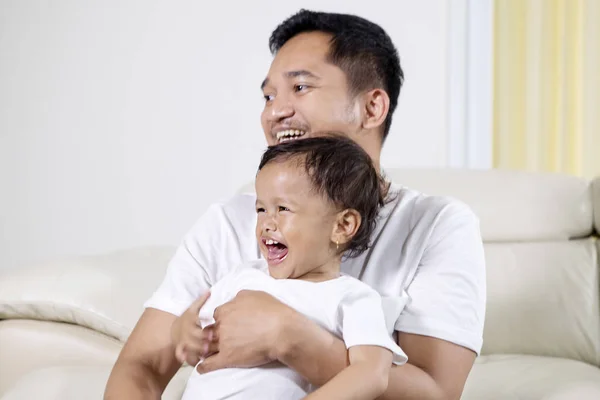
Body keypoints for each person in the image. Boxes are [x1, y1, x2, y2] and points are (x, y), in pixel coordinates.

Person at [105, 9, 486, 400]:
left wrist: (289, 338)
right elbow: (143, 367)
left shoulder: (437, 225)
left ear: (372, 108)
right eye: (269, 96)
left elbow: (435, 394)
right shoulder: (227, 223)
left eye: (300, 88)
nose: (274, 111)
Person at [177, 136, 408, 399]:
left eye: (283, 209)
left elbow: (372, 374)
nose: (266, 223)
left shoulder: (354, 299)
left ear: (342, 226)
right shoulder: (243, 276)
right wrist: (186, 333)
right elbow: (196, 326)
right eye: (261, 209)